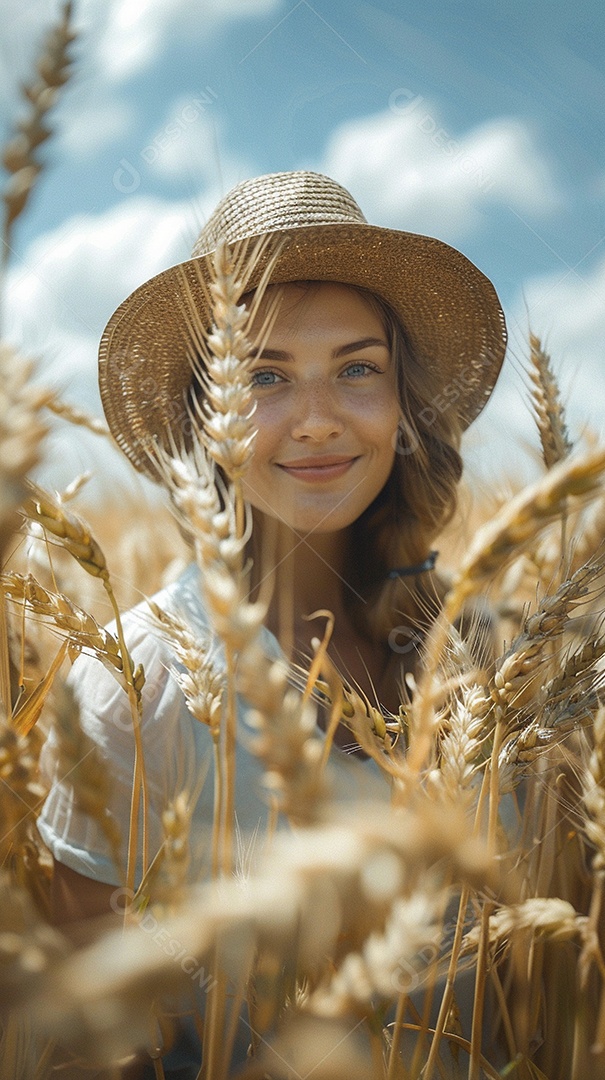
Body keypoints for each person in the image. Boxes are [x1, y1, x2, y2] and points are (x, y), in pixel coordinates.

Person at [37, 170, 507, 1076]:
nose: (317, 421)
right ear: (204, 420)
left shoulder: (487, 651)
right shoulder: (133, 679)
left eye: (357, 368)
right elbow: (86, 1038)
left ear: (403, 403)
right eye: (262, 376)